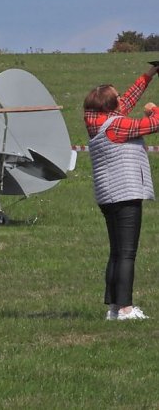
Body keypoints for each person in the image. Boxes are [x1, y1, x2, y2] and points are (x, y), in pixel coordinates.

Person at [84, 64, 159, 320]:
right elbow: (154, 124)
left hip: (108, 195)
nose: (121, 98)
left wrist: (149, 75)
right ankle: (126, 308)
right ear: (110, 105)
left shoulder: (97, 121)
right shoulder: (117, 127)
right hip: (126, 192)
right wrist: (153, 109)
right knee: (127, 253)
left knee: (117, 252)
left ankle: (114, 308)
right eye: (117, 97)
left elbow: (127, 100)